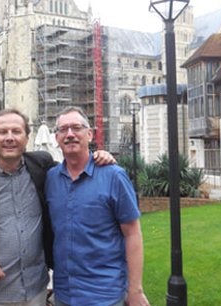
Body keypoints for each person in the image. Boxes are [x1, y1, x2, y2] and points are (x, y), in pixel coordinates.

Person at [0, 108, 115, 306]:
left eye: (16, 131)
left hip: (36, 291)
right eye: (3, 132)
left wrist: (98, 156)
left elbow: (74, 166)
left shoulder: (41, 166)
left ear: (27, 137)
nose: (9, 137)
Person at [46, 106, 150, 306]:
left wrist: (135, 290)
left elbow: (132, 234)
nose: (70, 134)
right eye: (63, 129)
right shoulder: (51, 178)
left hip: (104, 295)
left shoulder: (114, 176)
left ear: (89, 134)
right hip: (64, 295)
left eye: (77, 128)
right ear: (57, 138)